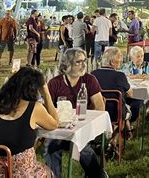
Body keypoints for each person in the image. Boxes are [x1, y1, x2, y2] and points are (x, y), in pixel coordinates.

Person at [0, 67, 58, 177]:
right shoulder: (34, 107)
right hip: (19, 170)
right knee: (47, 172)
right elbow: (54, 123)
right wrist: (46, 93)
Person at [45, 48, 106, 178]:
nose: (84, 64)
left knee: (83, 148)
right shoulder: (55, 83)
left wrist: (89, 125)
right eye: (79, 62)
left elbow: (99, 105)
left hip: (84, 127)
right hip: (62, 129)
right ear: (67, 64)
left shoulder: (89, 80)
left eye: (84, 61)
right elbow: (47, 109)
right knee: (50, 147)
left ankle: (98, 175)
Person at [91, 47, 142, 151]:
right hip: (115, 113)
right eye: (119, 57)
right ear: (112, 62)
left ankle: (107, 141)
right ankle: (112, 140)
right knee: (125, 112)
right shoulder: (120, 75)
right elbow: (131, 94)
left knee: (122, 107)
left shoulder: (92, 74)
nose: (122, 60)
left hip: (95, 112)